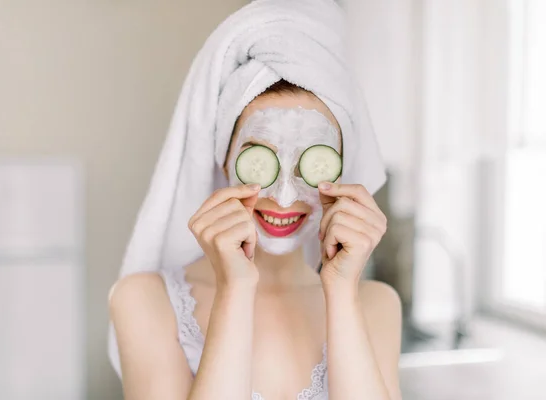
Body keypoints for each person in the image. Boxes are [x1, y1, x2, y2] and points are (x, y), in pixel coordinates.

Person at [109, 78, 402, 400]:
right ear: (225, 161)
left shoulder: (375, 303)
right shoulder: (145, 299)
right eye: (260, 161)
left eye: (313, 162)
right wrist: (234, 287)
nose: (285, 197)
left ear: (340, 174)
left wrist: (342, 291)